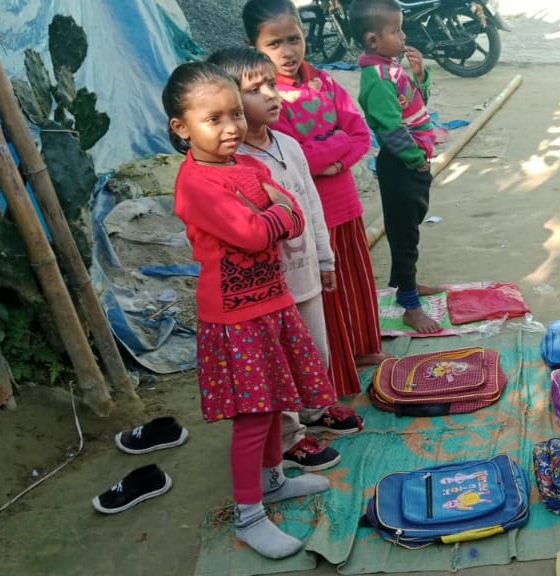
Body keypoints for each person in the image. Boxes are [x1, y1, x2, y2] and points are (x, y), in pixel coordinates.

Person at [163, 62, 342, 559]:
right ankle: (248, 514)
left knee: (274, 405)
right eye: (213, 119)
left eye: (236, 114)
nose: (231, 127)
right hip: (235, 318)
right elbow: (253, 232)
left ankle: (272, 481)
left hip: (272, 303)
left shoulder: (246, 165)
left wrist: (275, 214)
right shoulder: (196, 183)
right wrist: (275, 213)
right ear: (181, 127)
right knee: (253, 416)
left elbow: (294, 217)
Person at [207, 46, 364, 473]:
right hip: (268, 290)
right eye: (254, 90)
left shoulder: (289, 145)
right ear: (228, 102)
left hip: (305, 274)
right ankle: (291, 436)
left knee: (315, 349)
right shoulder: (233, 164)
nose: (271, 95)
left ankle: (314, 409)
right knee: (279, 363)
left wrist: (326, 259)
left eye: (271, 84)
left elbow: (312, 205)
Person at [242, 0, 393, 386]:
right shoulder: (265, 100)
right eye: (274, 44)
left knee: (354, 282)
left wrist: (333, 160)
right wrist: (336, 142)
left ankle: (362, 348)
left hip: (345, 204)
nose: (288, 52)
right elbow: (295, 158)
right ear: (252, 46)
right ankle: (335, 374)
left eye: (294, 39)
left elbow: (360, 134)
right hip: (310, 216)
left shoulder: (323, 81)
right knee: (325, 293)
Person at [349, 0, 444, 334]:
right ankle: (410, 305)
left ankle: (408, 285)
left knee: (409, 228)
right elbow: (391, 131)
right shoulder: (376, 78)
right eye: (396, 30)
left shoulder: (390, 69)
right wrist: (416, 160)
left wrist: (420, 76)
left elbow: (415, 103)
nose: (403, 37)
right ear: (373, 40)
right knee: (404, 236)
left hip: (409, 161)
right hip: (401, 162)